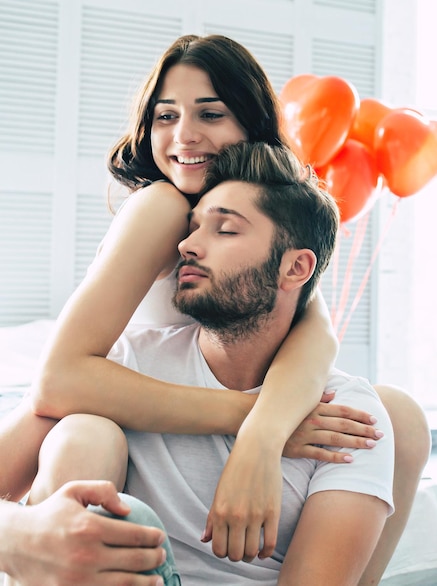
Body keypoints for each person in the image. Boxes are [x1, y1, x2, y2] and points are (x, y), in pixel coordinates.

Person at [0, 35, 429, 581]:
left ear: (252, 125)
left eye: (211, 113)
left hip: (183, 384)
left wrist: (263, 439)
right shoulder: (163, 207)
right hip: (106, 388)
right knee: (77, 436)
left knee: (398, 419)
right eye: (165, 115)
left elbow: (313, 334)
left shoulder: (266, 224)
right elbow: (57, 382)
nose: (184, 135)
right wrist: (254, 420)